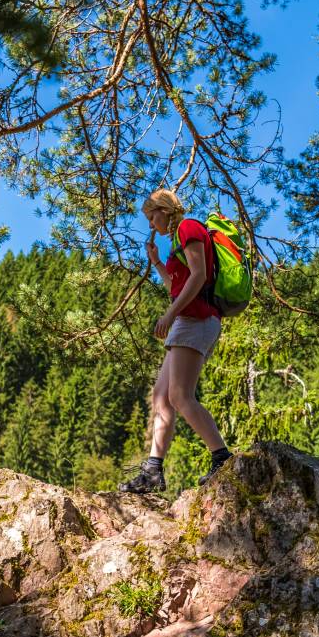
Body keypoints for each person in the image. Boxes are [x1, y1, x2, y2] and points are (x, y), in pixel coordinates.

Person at [118, 189, 233, 495]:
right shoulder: (178, 240)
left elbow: (199, 276)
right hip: (188, 320)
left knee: (180, 396)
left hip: (197, 319)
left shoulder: (188, 227)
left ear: (165, 210)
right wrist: (157, 262)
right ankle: (153, 471)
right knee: (161, 397)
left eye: (151, 216)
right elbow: (176, 286)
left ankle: (222, 458)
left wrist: (169, 315)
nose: (150, 224)